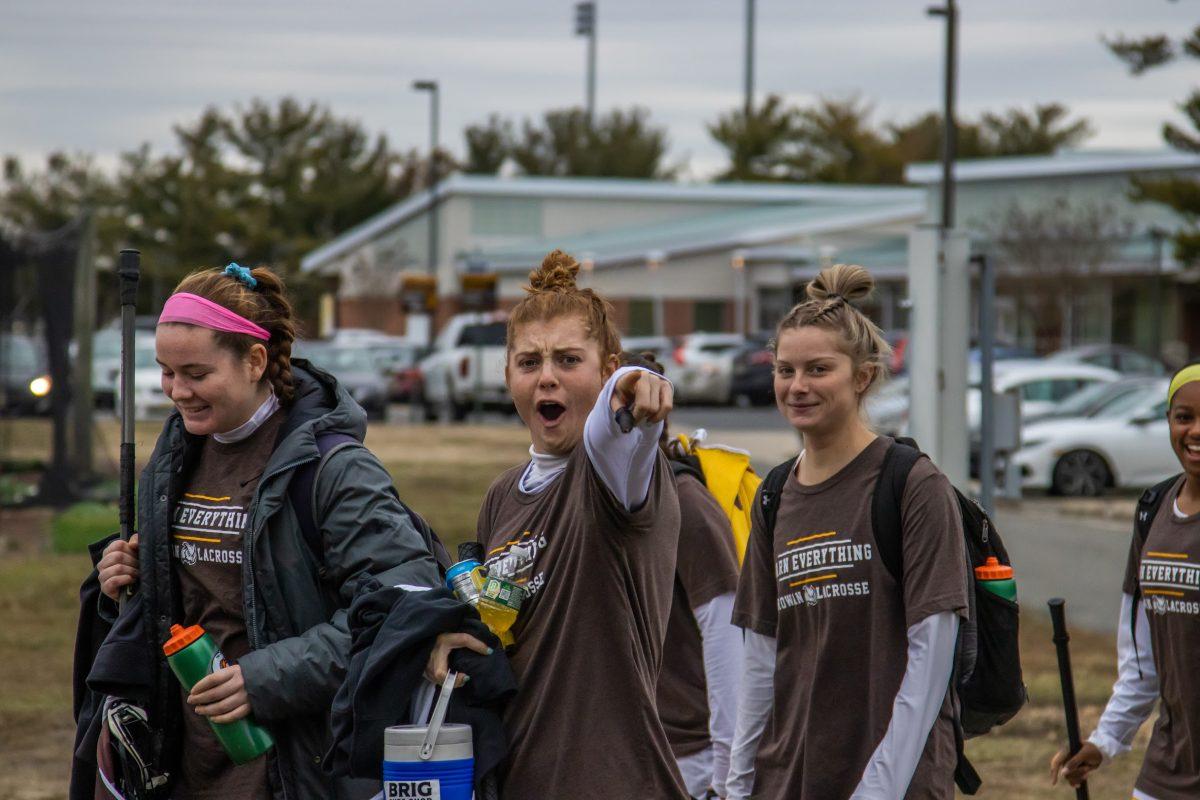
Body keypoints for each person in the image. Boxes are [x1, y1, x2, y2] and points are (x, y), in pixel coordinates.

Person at [95, 263, 442, 799]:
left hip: (299, 769)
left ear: (255, 360)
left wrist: (265, 679)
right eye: (166, 371)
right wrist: (134, 578)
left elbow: (401, 605)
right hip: (188, 766)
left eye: (196, 373)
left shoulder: (335, 468)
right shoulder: (172, 458)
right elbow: (192, 602)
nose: (177, 391)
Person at [425, 250, 687, 799]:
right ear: (507, 376)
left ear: (606, 369)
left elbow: (615, 437)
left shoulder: (613, 475)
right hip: (519, 778)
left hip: (616, 784)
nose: (547, 377)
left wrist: (638, 383)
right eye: (529, 363)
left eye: (569, 360)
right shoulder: (501, 496)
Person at [726, 263, 969, 800]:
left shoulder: (912, 484)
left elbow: (933, 653)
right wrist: (738, 783)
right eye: (784, 370)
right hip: (791, 776)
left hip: (892, 779)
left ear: (862, 376)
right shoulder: (773, 495)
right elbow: (761, 657)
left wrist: (878, 787)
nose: (797, 386)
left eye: (818, 369)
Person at [1050, 366, 1200, 800]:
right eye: (1184, 416)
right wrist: (1104, 741)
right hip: (1167, 772)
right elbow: (1141, 660)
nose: (1194, 431)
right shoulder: (1153, 510)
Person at [619, 350, 743, 799]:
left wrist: (728, 781)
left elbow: (728, 633)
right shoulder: (593, 503)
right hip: (626, 750)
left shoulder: (685, 503)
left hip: (691, 763)